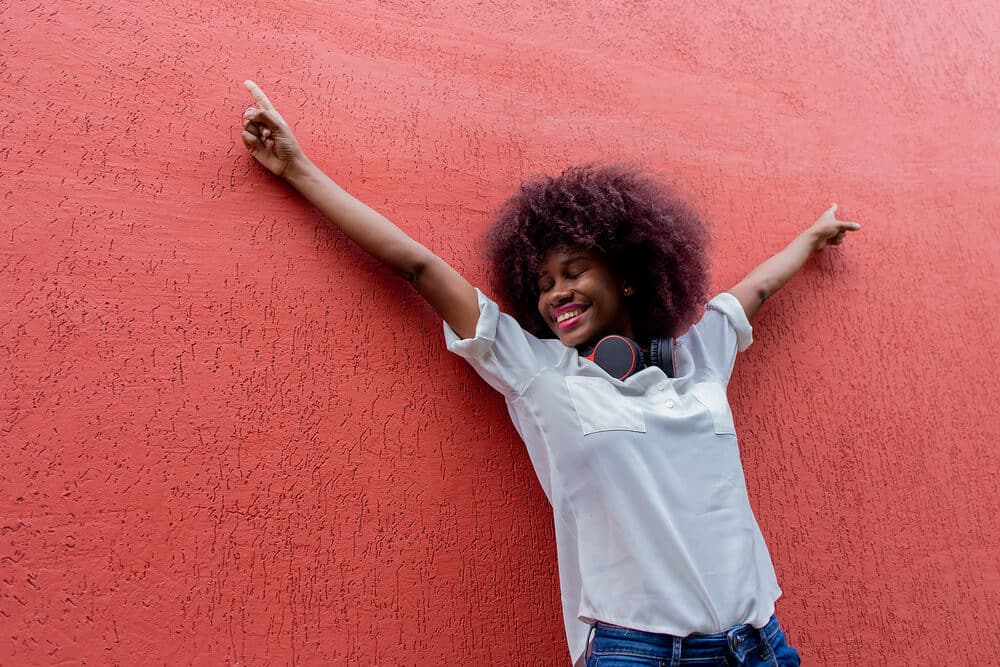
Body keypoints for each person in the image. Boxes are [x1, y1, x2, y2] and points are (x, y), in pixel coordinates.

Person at [240, 80, 860, 666]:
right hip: (639, 652)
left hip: (756, 642)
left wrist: (811, 238)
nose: (555, 293)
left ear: (628, 274)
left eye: (573, 271)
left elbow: (753, 292)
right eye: (541, 285)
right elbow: (420, 269)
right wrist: (298, 169)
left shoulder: (700, 359)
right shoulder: (537, 372)